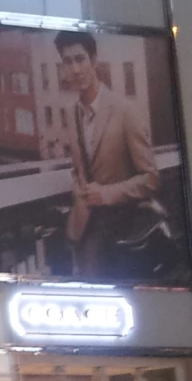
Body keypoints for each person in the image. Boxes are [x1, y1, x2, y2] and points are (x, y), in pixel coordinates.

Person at [56, 28, 163, 279]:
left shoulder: (126, 111)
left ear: (93, 60)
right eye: (68, 62)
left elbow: (151, 178)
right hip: (82, 232)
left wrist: (106, 194)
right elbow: (78, 170)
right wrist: (79, 190)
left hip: (120, 236)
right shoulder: (72, 115)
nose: (75, 69)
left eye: (80, 59)